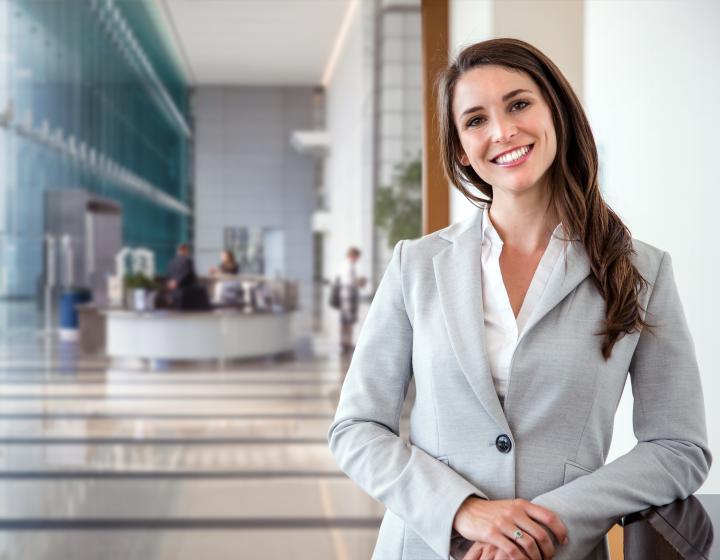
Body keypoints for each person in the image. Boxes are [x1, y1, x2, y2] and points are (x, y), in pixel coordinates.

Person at [328, 38, 711, 560]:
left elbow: (678, 448)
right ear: (462, 149)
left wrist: (541, 527)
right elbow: (356, 428)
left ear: (555, 110)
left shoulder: (641, 270)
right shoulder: (414, 266)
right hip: (425, 548)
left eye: (518, 104)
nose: (503, 132)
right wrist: (463, 510)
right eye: (476, 120)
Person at [333, 247, 367, 354]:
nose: (357, 259)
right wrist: (360, 282)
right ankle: (345, 343)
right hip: (348, 295)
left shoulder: (346, 265)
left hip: (346, 295)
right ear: (353, 255)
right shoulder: (348, 266)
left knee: (346, 321)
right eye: (357, 257)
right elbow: (349, 282)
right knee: (348, 320)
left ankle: (345, 342)